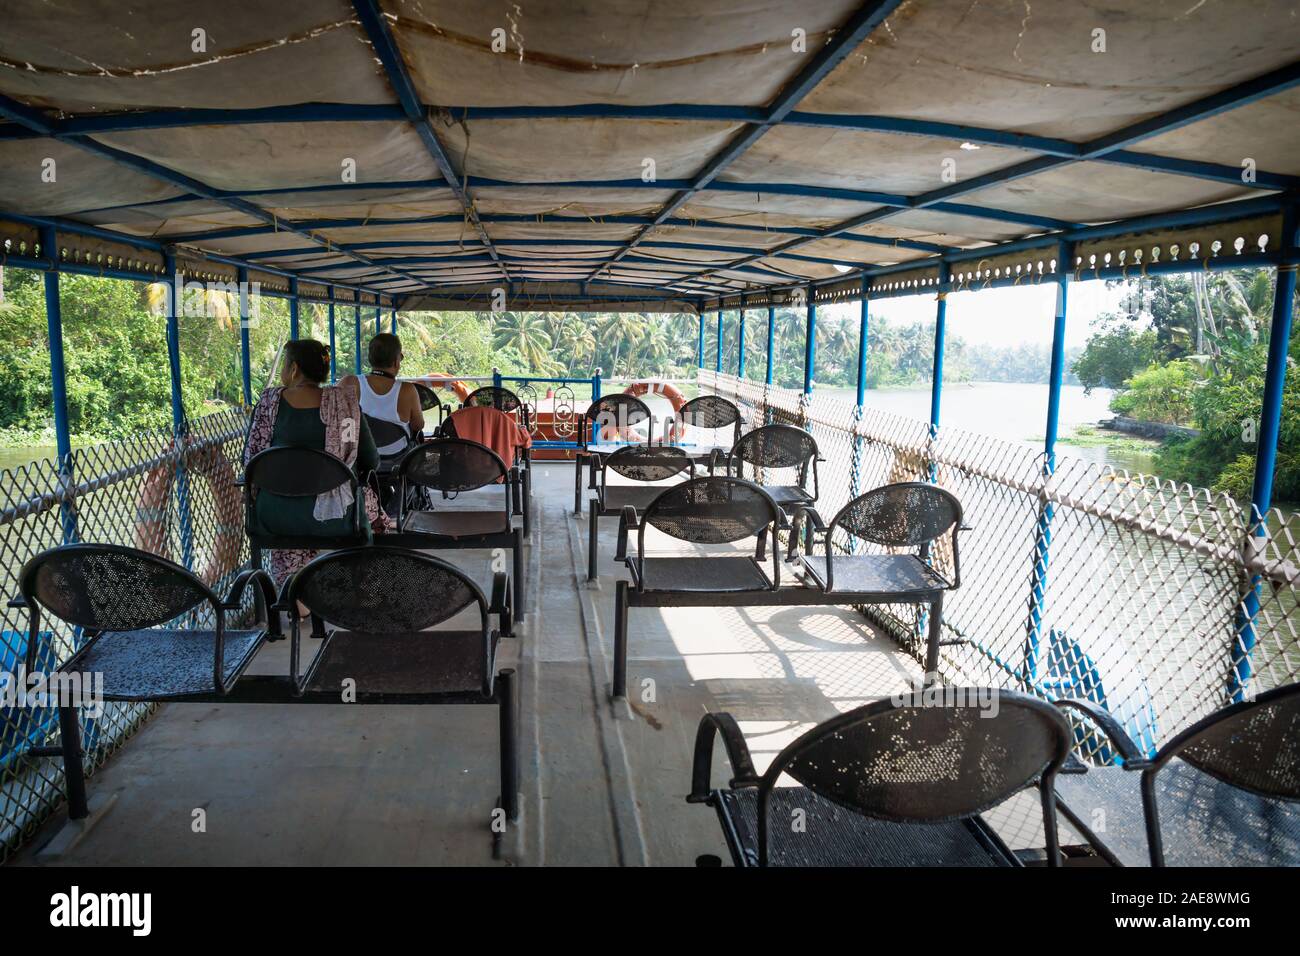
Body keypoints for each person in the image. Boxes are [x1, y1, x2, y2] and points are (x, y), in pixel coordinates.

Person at [243, 339, 383, 585]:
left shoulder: (267, 405)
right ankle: (352, 582)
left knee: (292, 526)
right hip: (337, 517)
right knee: (370, 506)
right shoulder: (346, 406)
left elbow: (251, 459)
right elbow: (371, 461)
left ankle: (297, 593)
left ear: (294, 369)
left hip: (275, 516)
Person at [355, 333, 425, 455]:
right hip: (397, 458)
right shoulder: (407, 390)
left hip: (362, 457)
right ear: (396, 362)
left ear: (370, 358)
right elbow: (418, 426)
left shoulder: (351, 383)